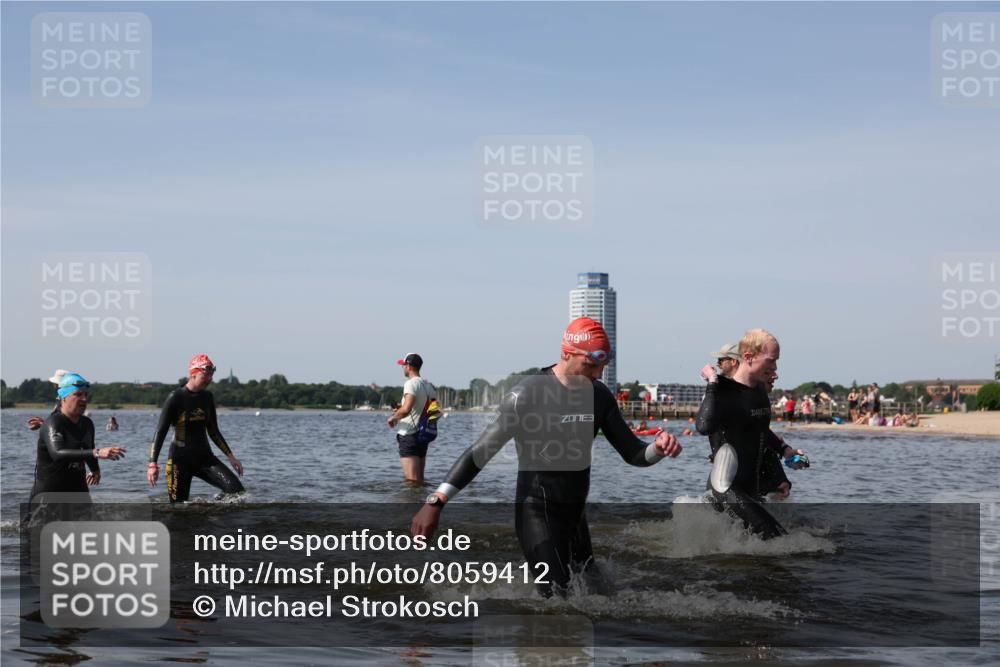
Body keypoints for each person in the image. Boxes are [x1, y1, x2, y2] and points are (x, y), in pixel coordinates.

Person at [411, 318, 682, 597]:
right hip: (538, 512)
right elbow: (481, 452)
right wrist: (435, 502)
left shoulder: (598, 396)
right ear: (567, 353)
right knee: (558, 601)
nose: (599, 374)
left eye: (602, 366)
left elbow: (633, 453)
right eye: (591, 365)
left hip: (576, 517)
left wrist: (657, 450)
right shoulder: (527, 394)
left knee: (600, 596)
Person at [696, 329, 808, 540]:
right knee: (780, 542)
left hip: (749, 489)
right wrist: (711, 382)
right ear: (748, 358)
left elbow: (760, 429)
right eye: (771, 361)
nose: (775, 368)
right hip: (725, 488)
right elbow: (703, 427)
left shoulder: (758, 391)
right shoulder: (722, 389)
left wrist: (785, 451)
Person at [147, 355, 244, 502]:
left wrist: (231, 456)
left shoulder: (207, 397)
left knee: (236, 491)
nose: (210, 379)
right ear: (193, 374)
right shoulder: (175, 397)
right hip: (179, 463)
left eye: (211, 375)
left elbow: (213, 430)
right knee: (178, 510)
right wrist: (152, 463)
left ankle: (212, 516)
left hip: (205, 459)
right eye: (205, 375)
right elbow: (160, 431)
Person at [28, 373, 126, 503]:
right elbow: (58, 453)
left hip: (78, 492)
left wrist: (95, 470)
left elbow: (88, 447)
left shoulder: (87, 423)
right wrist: (97, 452)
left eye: (86, 395)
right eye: (78, 395)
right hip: (49, 497)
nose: (84, 399)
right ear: (63, 397)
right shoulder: (53, 423)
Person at [387, 353, 438, 484]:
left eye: (403, 365)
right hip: (423, 436)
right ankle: (422, 502)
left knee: (411, 482)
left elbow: (407, 409)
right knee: (419, 480)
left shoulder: (410, 384)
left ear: (408, 366)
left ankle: (411, 504)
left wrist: (393, 418)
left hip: (409, 435)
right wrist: (402, 408)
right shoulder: (429, 386)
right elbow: (434, 412)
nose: (403, 368)